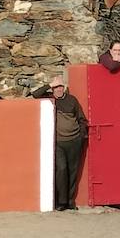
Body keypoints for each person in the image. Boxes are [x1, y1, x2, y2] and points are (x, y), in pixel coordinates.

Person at [29, 73, 89, 209]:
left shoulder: (72, 100)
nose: (59, 89)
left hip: (74, 141)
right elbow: (35, 94)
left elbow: (81, 119)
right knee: (61, 170)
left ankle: (69, 201)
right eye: (56, 87)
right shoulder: (49, 99)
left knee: (73, 172)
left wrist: (81, 136)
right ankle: (61, 202)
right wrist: (49, 85)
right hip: (58, 142)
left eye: (61, 86)